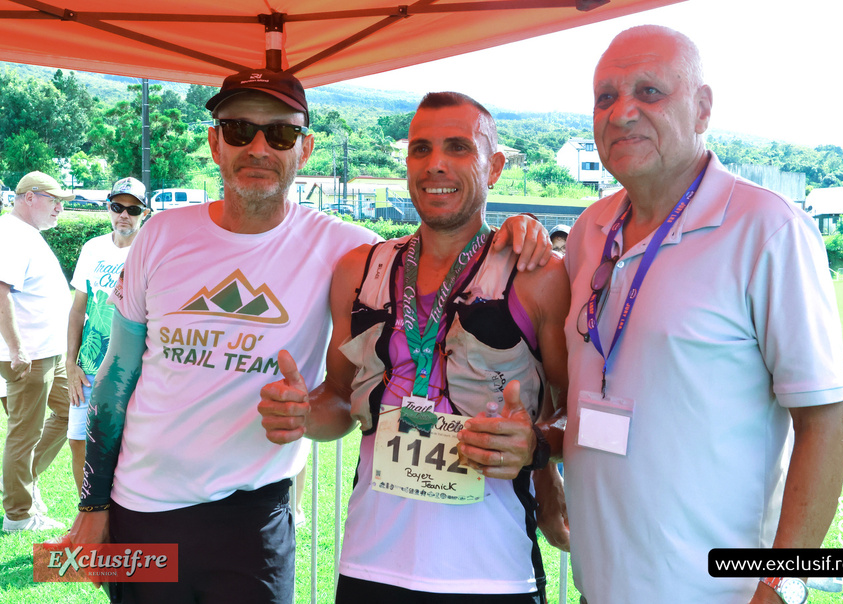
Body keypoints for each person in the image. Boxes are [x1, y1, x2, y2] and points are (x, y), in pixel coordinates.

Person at [67, 70, 549, 602]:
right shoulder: (161, 234)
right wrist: (92, 508)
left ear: (305, 148)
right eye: (237, 130)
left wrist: (516, 226)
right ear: (213, 141)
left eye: (279, 134)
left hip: (252, 520)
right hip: (142, 510)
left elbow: (443, 235)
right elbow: (116, 376)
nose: (257, 147)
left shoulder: (345, 249)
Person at [549, 25, 843, 604]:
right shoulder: (591, 229)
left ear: (702, 107)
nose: (622, 113)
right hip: (599, 587)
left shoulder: (768, 228)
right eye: (605, 97)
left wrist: (782, 587)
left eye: (650, 92)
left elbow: (826, 424)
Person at [260, 91, 570, 603]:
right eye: (420, 149)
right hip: (370, 565)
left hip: (492, 573)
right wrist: (302, 413)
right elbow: (338, 399)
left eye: (458, 148)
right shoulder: (359, 271)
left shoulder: (537, 276)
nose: (436, 164)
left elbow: (571, 414)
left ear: (493, 168)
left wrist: (535, 445)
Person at [66, 177, 150, 496]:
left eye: (133, 209)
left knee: (125, 444)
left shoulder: (149, 252)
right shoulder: (93, 249)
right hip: (88, 366)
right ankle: (88, 514)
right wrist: (71, 364)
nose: (124, 215)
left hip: (130, 369)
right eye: (117, 207)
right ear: (108, 208)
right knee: (78, 440)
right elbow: (78, 310)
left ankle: (124, 517)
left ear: (145, 213)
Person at [0, 171, 74, 532]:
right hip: (29, 355)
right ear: (29, 197)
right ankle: (18, 515)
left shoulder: (25, 234)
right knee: (24, 432)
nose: (60, 207)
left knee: (71, 411)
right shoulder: (11, 234)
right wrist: (17, 349)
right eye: (53, 199)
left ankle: (17, 480)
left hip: (49, 351)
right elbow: (0, 292)